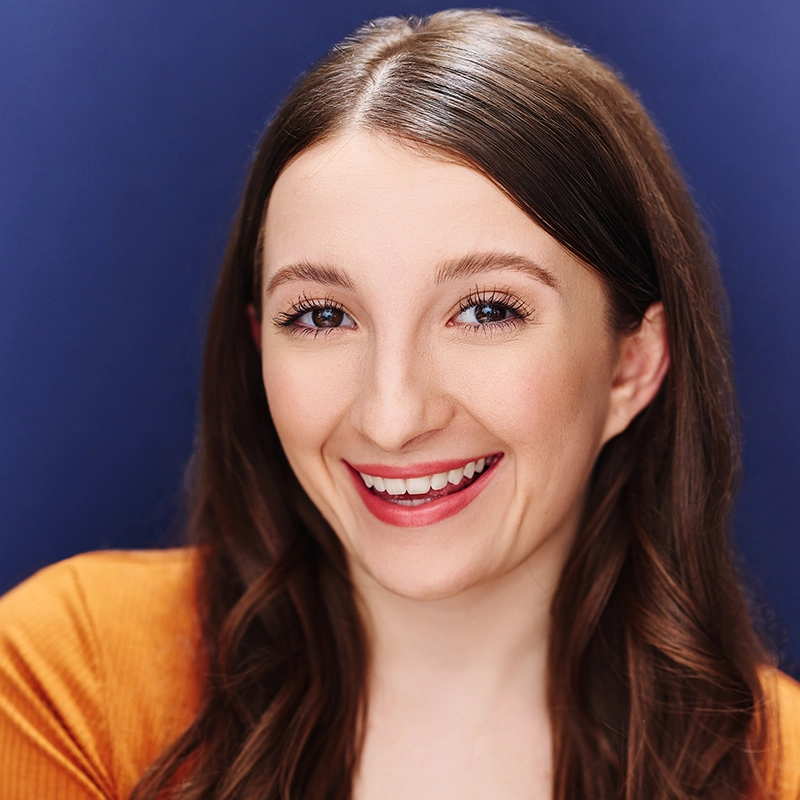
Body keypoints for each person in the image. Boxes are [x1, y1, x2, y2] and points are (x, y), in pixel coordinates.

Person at [1, 9, 798, 800]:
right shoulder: (69, 680)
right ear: (258, 346)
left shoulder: (780, 768)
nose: (393, 416)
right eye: (322, 316)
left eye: (487, 311)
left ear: (631, 364)